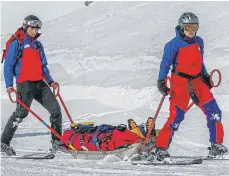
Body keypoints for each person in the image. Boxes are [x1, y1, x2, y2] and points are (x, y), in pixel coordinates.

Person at [152, 12, 228, 161]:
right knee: (176, 116)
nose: (192, 31)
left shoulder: (199, 41)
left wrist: (205, 76)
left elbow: (200, 62)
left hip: (198, 81)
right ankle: (160, 149)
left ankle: (216, 146)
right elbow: (165, 63)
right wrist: (161, 81)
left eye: (195, 27)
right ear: (181, 27)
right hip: (179, 82)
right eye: (188, 27)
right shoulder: (173, 45)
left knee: (214, 111)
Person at [1, 15, 63, 156]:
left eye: (36, 29)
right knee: (21, 114)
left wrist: (51, 81)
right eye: (32, 28)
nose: (34, 31)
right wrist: (9, 85)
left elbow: (43, 67)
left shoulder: (38, 45)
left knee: (55, 110)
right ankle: (4, 143)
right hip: (24, 85)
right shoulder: (17, 43)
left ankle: (57, 141)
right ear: (25, 27)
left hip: (40, 84)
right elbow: (8, 66)